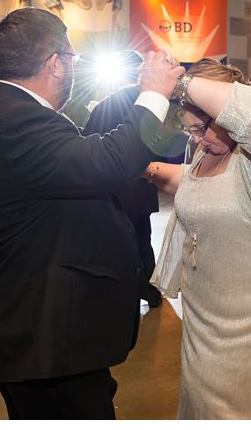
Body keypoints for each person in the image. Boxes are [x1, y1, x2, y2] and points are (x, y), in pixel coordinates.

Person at [0, 7, 184, 419]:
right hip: (46, 338)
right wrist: (154, 91)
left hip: (50, 335)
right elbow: (109, 161)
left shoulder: (11, 112)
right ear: (55, 63)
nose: (73, 66)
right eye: (72, 57)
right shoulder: (17, 120)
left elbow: (83, 165)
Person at [139, 59, 251, 419]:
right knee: (201, 401)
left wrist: (175, 83)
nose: (197, 141)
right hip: (205, 312)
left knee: (242, 406)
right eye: (189, 131)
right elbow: (197, 186)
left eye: (202, 127)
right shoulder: (206, 150)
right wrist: (137, 167)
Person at [83, 54, 165, 309]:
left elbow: (88, 144)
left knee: (119, 246)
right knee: (143, 241)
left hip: (116, 190)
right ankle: (150, 292)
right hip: (143, 185)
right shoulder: (151, 105)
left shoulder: (106, 105)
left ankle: (126, 295)